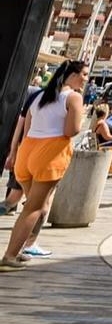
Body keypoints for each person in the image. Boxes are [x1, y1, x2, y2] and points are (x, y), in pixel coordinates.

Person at [1, 62, 85, 269]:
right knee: (34, 208)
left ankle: (18, 249)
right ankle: (10, 256)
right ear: (72, 75)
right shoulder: (73, 97)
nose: (85, 79)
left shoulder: (39, 96)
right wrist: (80, 120)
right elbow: (70, 131)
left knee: (32, 205)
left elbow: (27, 128)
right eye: (83, 74)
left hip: (27, 152)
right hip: (49, 154)